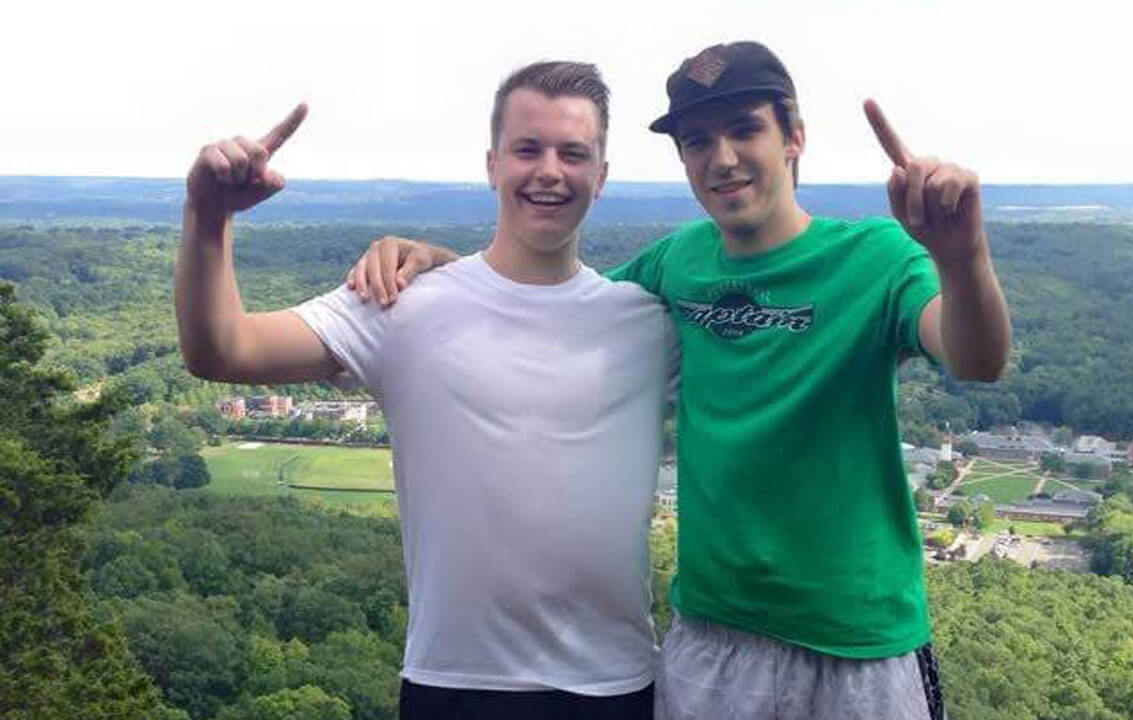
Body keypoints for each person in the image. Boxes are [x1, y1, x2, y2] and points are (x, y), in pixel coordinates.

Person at [348, 41, 1010, 720]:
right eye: (697, 141)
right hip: (712, 641)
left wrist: (963, 259)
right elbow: (559, 312)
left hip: (861, 644)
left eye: (746, 129)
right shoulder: (678, 263)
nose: (721, 158)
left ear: (795, 139)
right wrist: (447, 267)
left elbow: (974, 357)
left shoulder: (875, 258)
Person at [174, 61, 676, 720]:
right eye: (528, 149)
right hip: (456, 684)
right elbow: (221, 348)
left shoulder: (647, 321)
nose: (549, 169)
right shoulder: (403, 304)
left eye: (573, 153)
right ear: (492, 165)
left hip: (617, 686)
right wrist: (208, 213)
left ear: (602, 176)